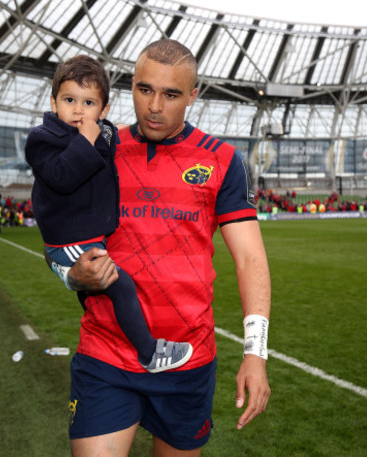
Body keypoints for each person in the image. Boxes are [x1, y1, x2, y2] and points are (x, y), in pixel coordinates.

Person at [64, 39, 272, 456]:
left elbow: (250, 257)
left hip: (187, 360)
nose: (154, 106)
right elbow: (63, 240)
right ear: (131, 87)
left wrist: (256, 352)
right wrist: (72, 275)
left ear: (193, 96)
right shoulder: (98, 151)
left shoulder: (224, 161)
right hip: (108, 353)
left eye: (171, 94)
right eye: (144, 90)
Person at [25, 55, 192, 373]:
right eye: (69, 100)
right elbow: (63, 176)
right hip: (69, 239)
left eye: (88, 103)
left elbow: (110, 151)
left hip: (92, 234)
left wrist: (105, 134)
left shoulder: (101, 133)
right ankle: (149, 353)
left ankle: (128, 344)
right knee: (121, 285)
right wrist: (88, 139)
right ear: (53, 102)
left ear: (103, 111)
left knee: (103, 293)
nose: (77, 110)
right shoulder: (42, 139)